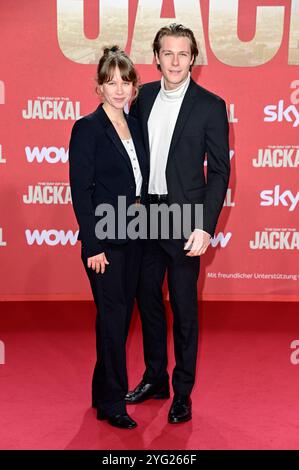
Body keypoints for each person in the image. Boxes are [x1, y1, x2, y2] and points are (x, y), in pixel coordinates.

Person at [126, 24, 230, 424]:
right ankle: (156, 377)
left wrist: (205, 225)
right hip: (145, 214)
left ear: (193, 59)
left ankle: (182, 392)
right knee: (147, 299)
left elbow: (219, 172)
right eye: (167, 53)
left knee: (184, 308)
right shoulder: (144, 96)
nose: (174, 61)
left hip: (186, 219)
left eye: (182, 54)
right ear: (156, 58)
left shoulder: (210, 105)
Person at [69, 46, 148, 429]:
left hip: (135, 235)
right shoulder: (86, 127)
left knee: (117, 320)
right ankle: (114, 401)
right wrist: (93, 244)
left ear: (134, 86)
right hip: (104, 240)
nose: (119, 89)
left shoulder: (136, 126)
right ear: (98, 87)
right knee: (114, 320)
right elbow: (81, 190)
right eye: (110, 82)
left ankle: (102, 395)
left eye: (125, 81)